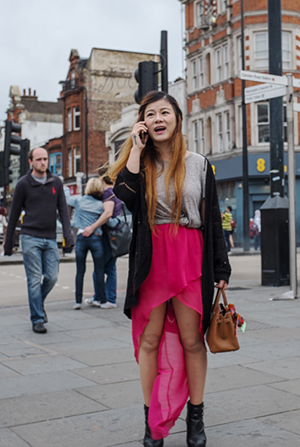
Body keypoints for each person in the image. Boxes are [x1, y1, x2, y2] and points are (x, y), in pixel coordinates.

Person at [109, 91, 231, 447]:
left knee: (193, 341)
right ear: (143, 123)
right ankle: (152, 422)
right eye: (150, 114)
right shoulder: (139, 162)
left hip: (190, 255)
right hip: (152, 258)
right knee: (149, 340)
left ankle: (196, 417)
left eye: (165, 112)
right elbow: (126, 197)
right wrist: (134, 147)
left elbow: (212, 219)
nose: (158, 118)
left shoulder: (199, 164)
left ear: (178, 118)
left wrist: (221, 265)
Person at [4, 147, 74, 334]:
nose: (43, 162)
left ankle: (38, 302)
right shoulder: (23, 184)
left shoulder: (56, 183)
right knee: (34, 279)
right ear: (31, 162)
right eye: (39, 159)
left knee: (52, 277)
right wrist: (8, 242)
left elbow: (64, 212)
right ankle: (37, 318)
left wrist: (68, 236)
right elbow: (14, 215)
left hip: (50, 238)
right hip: (30, 237)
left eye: (45, 159)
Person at [67, 177, 118, 310]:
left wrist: (64, 187)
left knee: (80, 272)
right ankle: (102, 301)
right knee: (99, 270)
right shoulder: (101, 205)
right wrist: (117, 221)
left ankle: (78, 302)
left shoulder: (78, 200)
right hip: (96, 238)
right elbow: (110, 222)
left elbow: (66, 198)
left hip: (81, 238)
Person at [92, 170, 124, 307]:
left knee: (99, 270)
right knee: (111, 269)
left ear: (102, 179)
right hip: (116, 236)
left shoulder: (107, 194)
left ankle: (100, 297)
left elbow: (107, 214)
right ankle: (109, 298)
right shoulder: (117, 193)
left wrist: (92, 227)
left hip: (107, 236)